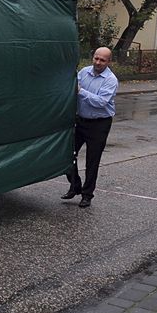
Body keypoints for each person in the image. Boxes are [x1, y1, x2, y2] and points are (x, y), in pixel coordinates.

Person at [63, 47, 118, 208]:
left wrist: (81, 91)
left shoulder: (110, 80)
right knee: (67, 154)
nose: (98, 62)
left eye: (102, 60)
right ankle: (75, 186)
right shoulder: (84, 72)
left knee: (92, 161)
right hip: (80, 121)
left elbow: (101, 102)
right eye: (96, 58)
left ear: (109, 62)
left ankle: (87, 195)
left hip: (99, 124)